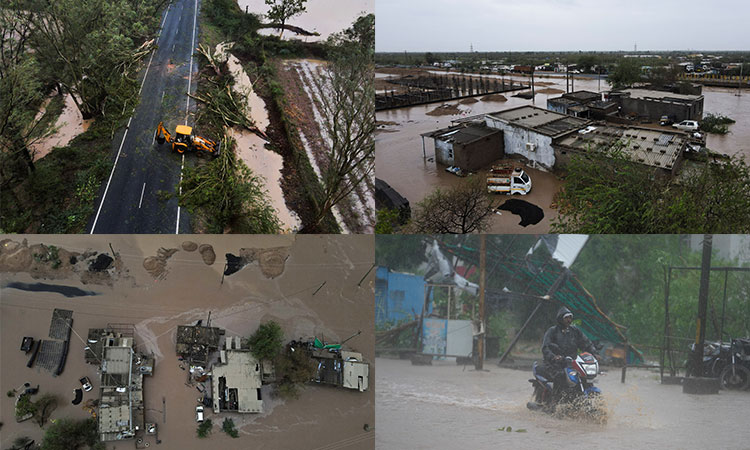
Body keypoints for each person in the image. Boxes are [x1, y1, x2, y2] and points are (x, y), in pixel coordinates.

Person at [540, 306, 599, 383]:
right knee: (560, 377)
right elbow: (545, 347)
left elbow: (586, 342)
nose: (569, 320)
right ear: (560, 319)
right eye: (566, 318)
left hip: (573, 363)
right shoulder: (552, 331)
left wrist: (594, 353)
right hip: (556, 364)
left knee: (584, 376)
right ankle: (556, 394)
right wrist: (554, 357)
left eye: (570, 318)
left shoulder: (575, 331)